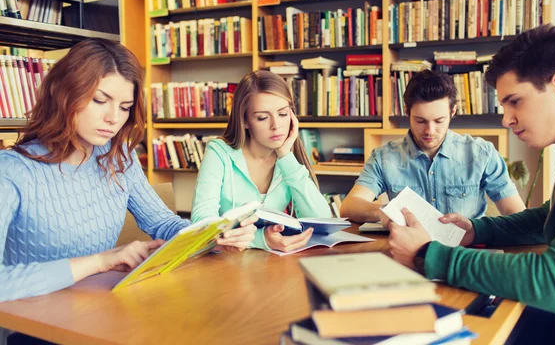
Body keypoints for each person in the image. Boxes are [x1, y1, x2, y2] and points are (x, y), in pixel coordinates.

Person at [0, 39, 258, 306]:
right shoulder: (11, 170)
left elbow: (164, 225)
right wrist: (100, 262)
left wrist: (214, 237)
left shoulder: (118, 156)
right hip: (36, 324)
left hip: (102, 308)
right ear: (62, 92)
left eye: (125, 107)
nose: (114, 117)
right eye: (100, 100)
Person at [386, 25, 555, 343]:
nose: (506, 119)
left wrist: (428, 253)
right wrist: (477, 230)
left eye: (515, 102)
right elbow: (550, 215)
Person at [340, 69, 525, 223]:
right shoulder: (384, 157)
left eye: (439, 121)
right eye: (420, 121)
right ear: (407, 112)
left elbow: (517, 215)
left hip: (466, 255)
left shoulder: (481, 154)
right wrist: (385, 212)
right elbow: (349, 206)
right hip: (407, 255)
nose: (430, 130)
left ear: (452, 112)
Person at [191, 70, 332, 253]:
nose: (276, 125)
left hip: (272, 266)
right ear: (244, 121)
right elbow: (202, 224)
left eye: (283, 114)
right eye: (262, 117)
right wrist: (260, 239)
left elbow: (322, 221)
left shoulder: (289, 158)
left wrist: (285, 156)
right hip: (224, 264)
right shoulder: (219, 153)